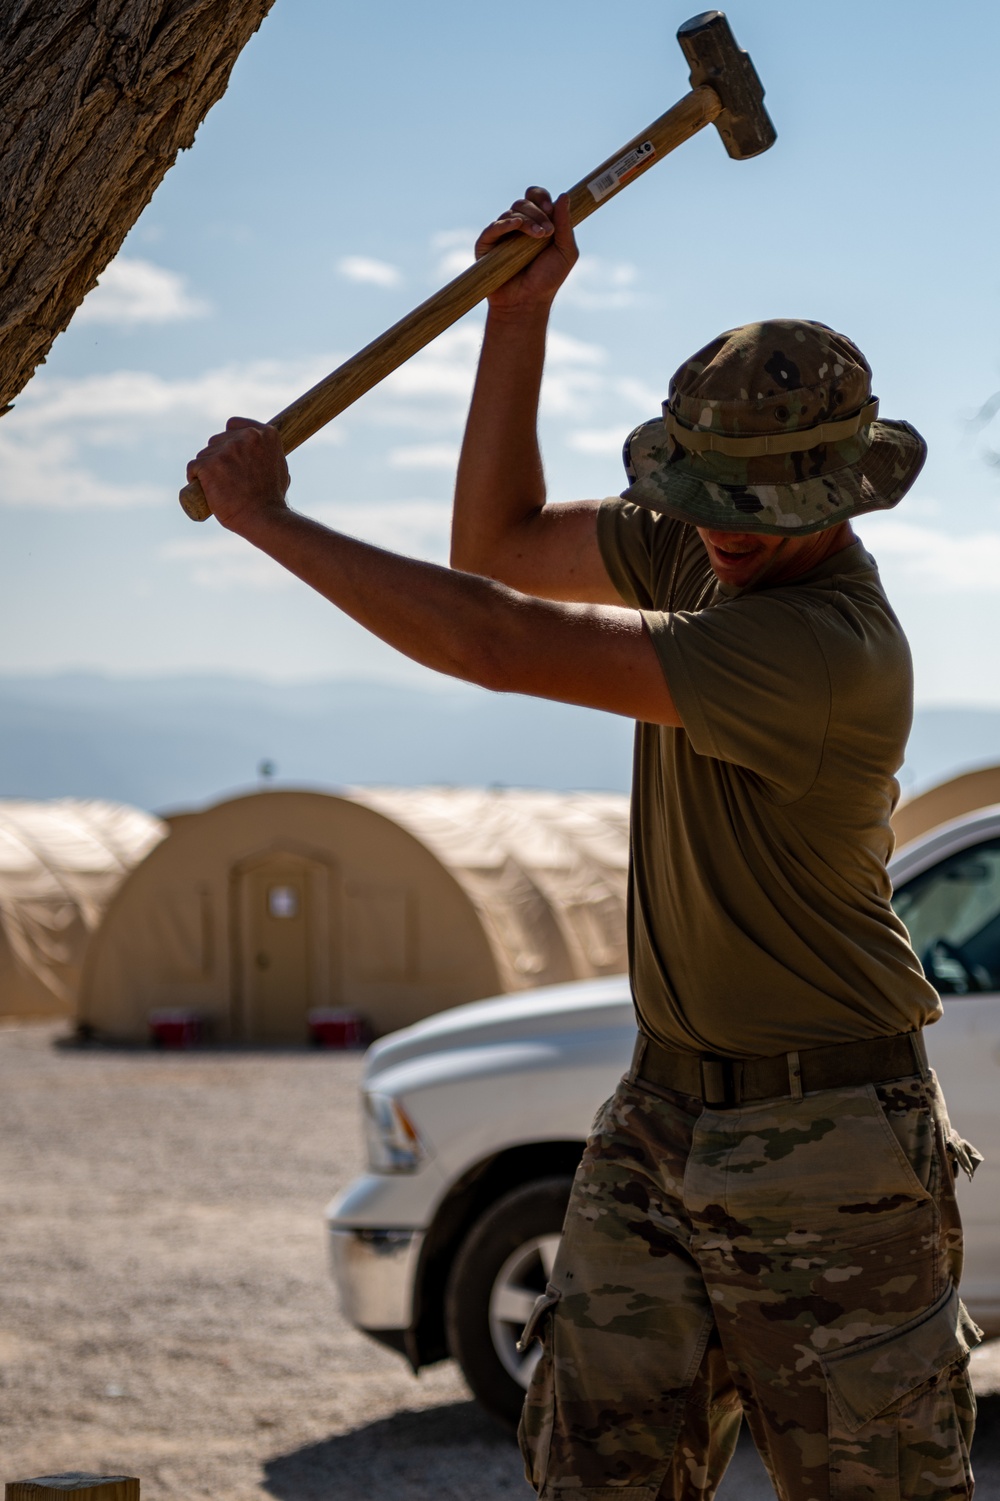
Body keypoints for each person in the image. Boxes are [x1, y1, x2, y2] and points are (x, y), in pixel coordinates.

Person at [188, 188, 982, 1501]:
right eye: (711, 491)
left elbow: (500, 643)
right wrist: (520, 318)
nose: (726, 525)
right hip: (662, 1110)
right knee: (591, 1474)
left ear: (842, 491)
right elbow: (494, 547)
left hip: (837, 1131)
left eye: (763, 500)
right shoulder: (711, 560)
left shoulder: (826, 651)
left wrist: (269, 518)